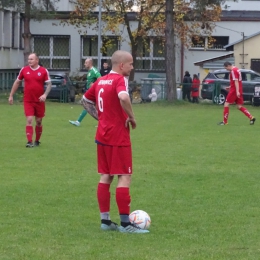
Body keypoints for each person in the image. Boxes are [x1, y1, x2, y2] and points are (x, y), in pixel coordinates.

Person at [82, 50, 149, 234]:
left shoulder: (100, 81)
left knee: (106, 176)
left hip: (102, 135)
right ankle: (126, 225)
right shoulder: (119, 80)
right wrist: (132, 116)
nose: (132, 67)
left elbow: (85, 100)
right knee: (124, 176)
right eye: (131, 64)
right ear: (121, 65)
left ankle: (105, 221)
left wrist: (101, 118)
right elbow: (124, 97)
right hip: (118, 136)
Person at [8, 53, 52, 148]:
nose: (29, 61)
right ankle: (29, 142)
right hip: (28, 100)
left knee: (39, 121)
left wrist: (45, 95)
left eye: (31, 59)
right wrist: (11, 95)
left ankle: (37, 140)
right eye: (29, 59)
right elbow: (17, 82)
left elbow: (49, 84)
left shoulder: (43, 71)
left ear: (37, 60)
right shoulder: (24, 70)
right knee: (29, 119)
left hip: (39, 101)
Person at [69, 58, 101, 126]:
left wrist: (94, 84)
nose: (84, 64)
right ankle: (78, 121)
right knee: (88, 107)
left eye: (86, 63)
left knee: (88, 105)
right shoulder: (89, 71)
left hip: (94, 93)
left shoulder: (94, 71)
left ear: (90, 63)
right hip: (91, 92)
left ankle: (78, 122)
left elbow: (100, 79)